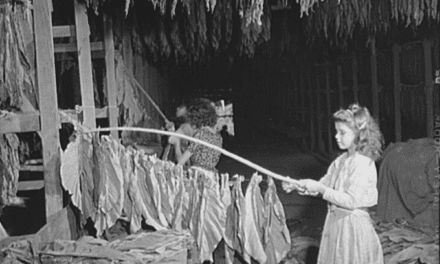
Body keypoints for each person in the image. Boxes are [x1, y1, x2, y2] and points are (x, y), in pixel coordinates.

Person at [283, 103, 384, 264]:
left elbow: (352, 201)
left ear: (359, 134)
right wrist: (297, 185)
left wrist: (321, 189)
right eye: (336, 132)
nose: (336, 136)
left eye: (342, 132)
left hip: (354, 228)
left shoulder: (363, 164)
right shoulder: (341, 161)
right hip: (336, 225)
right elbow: (323, 186)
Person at [170, 98, 222, 171]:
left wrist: (176, 144)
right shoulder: (218, 136)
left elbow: (180, 162)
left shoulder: (201, 134)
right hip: (211, 174)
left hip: (199, 175)